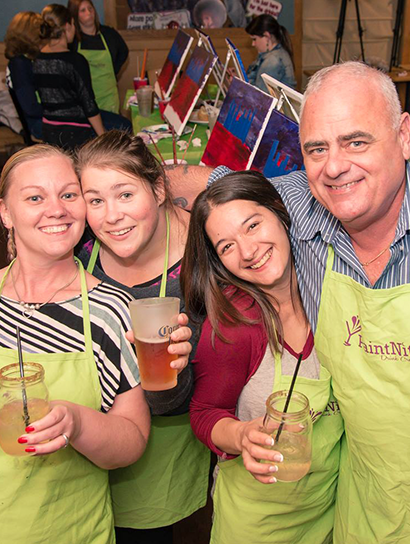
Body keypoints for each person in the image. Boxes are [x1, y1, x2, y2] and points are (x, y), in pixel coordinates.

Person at [166, 60, 410, 543]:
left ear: (403, 135)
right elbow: (224, 194)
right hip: (361, 504)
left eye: (357, 141)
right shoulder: (303, 201)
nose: (336, 166)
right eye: (317, 148)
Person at [180, 171, 343, 543]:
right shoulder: (235, 325)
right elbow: (204, 414)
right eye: (226, 246)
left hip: (334, 510)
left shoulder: (333, 292)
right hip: (258, 524)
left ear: (279, 213)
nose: (249, 251)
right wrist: (241, 435)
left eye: (253, 225)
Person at [0, 143, 150, 543]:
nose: (57, 209)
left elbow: (132, 441)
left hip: (69, 529)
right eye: (35, 197)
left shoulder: (111, 311)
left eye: (69, 194)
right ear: (5, 213)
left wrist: (78, 422)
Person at [75, 130, 211, 544]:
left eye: (125, 194)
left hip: (176, 460)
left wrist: (179, 368)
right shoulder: (82, 261)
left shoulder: (204, 252)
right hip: (93, 457)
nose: (111, 215)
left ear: (156, 188)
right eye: (95, 200)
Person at [32, 3, 106, 150]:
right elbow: (88, 104)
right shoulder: (75, 61)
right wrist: (104, 137)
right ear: (67, 26)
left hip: (49, 130)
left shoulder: (37, 59)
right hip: (76, 134)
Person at [67, 0, 132, 131]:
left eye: (90, 8)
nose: (89, 13)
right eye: (83, 10)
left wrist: (112, 71)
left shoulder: (109, 34)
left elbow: (123, 52)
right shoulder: (73, 41)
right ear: (75, 15)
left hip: (109, 97)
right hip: (85, 103)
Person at [4, 11, 43, 140]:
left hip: (40, 120)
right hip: (36, 124)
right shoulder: (19, 64)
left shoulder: (24, 61)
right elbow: (30, 107)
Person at [245, 14, 296, 91]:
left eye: (254, 39)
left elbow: (259, 96)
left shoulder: (273, 61)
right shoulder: (276, 54)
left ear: (267, 36)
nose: (253, 44)